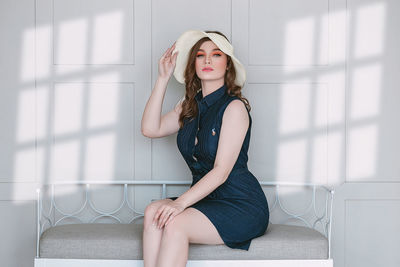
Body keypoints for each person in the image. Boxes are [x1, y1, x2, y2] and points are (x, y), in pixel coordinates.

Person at [140, 29, 269, 267]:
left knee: (174, 222)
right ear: (194, 64)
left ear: (228, 65)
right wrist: (162, 78)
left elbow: (221, 172)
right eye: (200, 55)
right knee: (152, 213)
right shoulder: (188, 107)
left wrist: (179, 204)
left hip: (241, 204)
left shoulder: (234, 108)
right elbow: (150, 129)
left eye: (216, 54)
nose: (207, 60)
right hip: (206, 200)